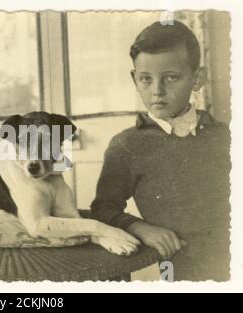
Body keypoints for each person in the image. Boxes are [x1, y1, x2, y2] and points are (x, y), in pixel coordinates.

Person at [90, 20, 231, 281]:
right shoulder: (127, 146)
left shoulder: (227, 137)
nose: (157, 91)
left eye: (171, 78)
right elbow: (103, 209)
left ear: (197, 78)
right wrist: (139, 227)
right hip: (181, 275)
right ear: (135, 79)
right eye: (146, 79)